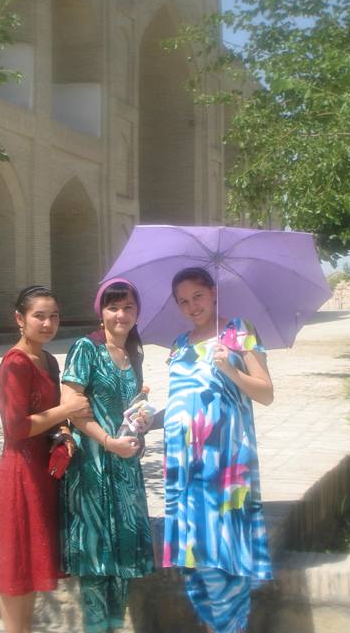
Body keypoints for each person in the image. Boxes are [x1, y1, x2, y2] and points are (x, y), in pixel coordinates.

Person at [163, 267, 274, 633]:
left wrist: (231, 368)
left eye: (197, 296)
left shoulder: (239, 331)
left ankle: (232, 628)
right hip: (186, 468)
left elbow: (265, 393)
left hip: (226, 466)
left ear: (213, 293)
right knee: (198, 557)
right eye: (183, 301)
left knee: (227, 554)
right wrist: (146, 417)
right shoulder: (180, 344)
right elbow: (184, 402)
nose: (192, 306)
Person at [0, 285, 92, 633]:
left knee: (34, 561)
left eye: (54, 316)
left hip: (45, 471)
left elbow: (52, 416)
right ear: (20, 319)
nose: (48, 323)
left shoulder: (49, 360)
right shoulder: (14, 365)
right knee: (16, 563)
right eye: (39, 316)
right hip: (21, 472)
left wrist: (64, 430)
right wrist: (65, 410)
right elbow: (16, 428)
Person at [60, 278, 155, 633]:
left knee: (123, 558)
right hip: (94, 467)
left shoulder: (133, 352)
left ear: (137, 311)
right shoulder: (86, 349)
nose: (121, 314)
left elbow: (128, 410)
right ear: (100, 311)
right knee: (97, 556)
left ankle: (113, 626)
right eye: (113, 307)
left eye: (128, 306)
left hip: (125, 469)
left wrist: (140, 424)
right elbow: (72, 408)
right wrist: (108, 442)